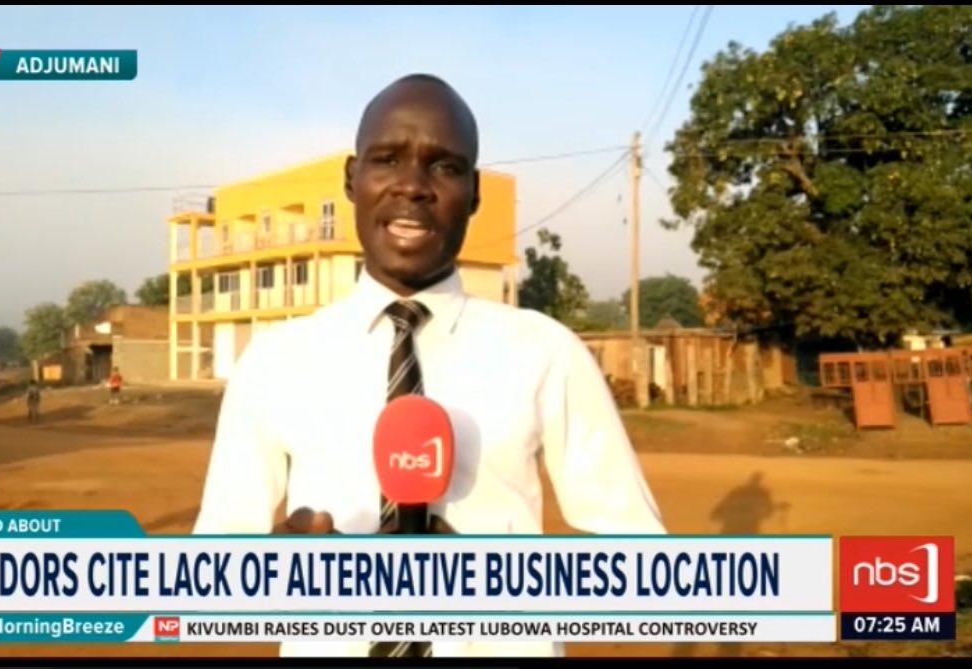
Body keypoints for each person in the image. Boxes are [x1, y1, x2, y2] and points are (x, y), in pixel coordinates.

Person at [193, 73, 667, 658]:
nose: (412, 186)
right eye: (387, 160)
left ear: (473, 193)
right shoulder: (274, 361)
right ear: (352, 179)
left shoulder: (546, 351)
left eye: (444, 167)